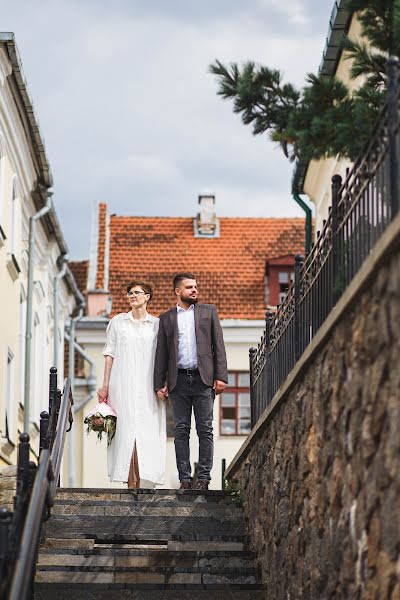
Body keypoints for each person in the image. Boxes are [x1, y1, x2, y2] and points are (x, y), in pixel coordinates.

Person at [154, 273, 227, 490]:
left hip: (203, 380)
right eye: (189, 287)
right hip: (178, 382)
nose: (194, 290)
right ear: (178, 291)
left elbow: (219, 346)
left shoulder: (208, 312)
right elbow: (161, 353)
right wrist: (160, 383)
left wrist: (221, 376)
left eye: (195, 286)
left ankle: (203, 479)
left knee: (205, 429)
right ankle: (185, 479)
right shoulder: (166, 318)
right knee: (181, 431)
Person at [98, 280, 166, 489]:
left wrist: (163, 384)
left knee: (147, 431)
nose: (132, 296)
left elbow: (164, 357)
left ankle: (145, 480)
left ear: (147, 297)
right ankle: (129, 482)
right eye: (129, 293)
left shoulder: (157, 325)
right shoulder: (118, 322)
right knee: (125, 430)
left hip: (148, 386)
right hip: (123, 383)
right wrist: (105, 385)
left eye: (137, 292)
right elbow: (109, 354)